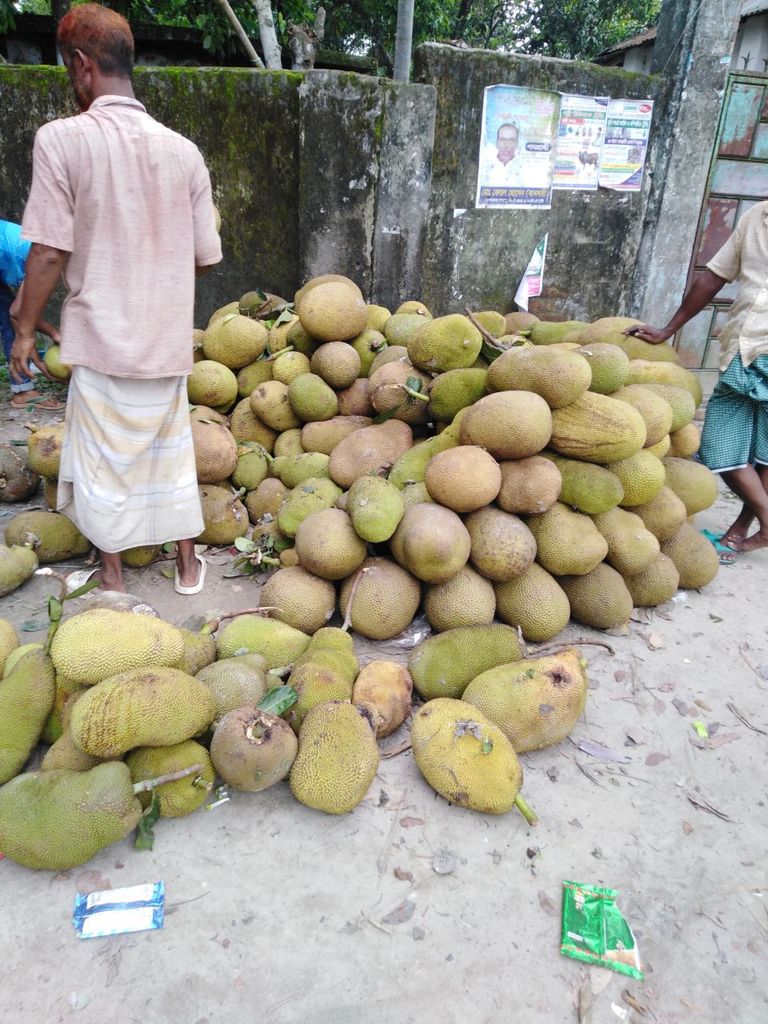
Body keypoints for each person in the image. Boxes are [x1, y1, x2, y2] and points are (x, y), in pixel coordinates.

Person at [11, 3, 222, 593]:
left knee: (104, 463)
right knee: (171, 456)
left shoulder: (61, 140)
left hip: (102, 338)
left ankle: (113, 580)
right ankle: (186, 568)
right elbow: (204, 257)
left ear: (81, 66)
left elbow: (49, 252)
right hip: (164, 340)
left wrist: (26, 328)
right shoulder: (185, 152)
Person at [626, 200, 768, 563]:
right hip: (747, 346)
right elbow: (713, 277)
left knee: (723, 447)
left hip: (757, 350)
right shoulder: (757, 216)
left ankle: (762, 524)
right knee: (758, 454)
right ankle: (744, 529)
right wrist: (668, 330)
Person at [1, 218, 64, 409]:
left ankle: (23, 389)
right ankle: (24, 391)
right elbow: (19, 312)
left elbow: (18, 316)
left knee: (7, 316)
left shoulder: (45, 247)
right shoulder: (44, 257)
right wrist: (54, 334)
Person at [479, 122, 525, 187]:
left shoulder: (524, 170)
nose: (506, 145)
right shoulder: (485, 167)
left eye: (511, 140)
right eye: (502, 140)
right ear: (497, 143)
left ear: (516, 144)